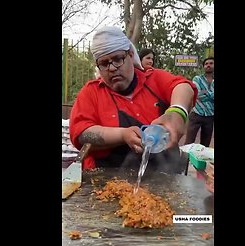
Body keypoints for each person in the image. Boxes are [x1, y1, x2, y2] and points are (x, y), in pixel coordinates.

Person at [69, 26, 197, 173]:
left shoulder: (153, 79)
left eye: (118, 59)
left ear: (130, 54)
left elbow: (183, 87)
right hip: (107, 182)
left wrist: (177, 112)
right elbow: (82, 134)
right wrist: (123, 135)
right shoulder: (91, 92)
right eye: (104, 63)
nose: (111, 68)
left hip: (163, 179)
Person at [185, 57, 214, 147]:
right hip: (196, 113)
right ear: (204, 67)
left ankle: (201, 160)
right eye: (206, 64)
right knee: (189, 142)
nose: (208, 65)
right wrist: (211, 95)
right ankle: (185, 160)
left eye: (211, 63)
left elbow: (202, 94)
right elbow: (197, 94)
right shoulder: (197, 79)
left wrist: (205, 92)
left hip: (210, 115)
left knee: (205, 144)